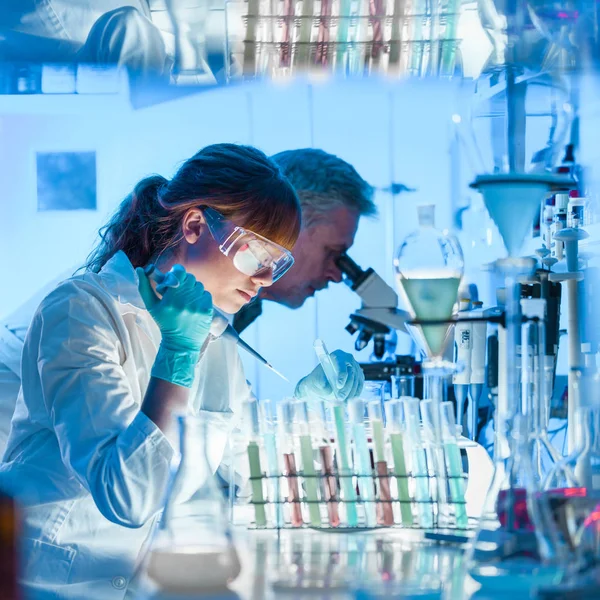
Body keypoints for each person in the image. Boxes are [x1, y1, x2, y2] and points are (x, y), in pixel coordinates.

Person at [0, 143, 364, 600]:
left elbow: (250, 474)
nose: (265, 279)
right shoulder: (82, 309)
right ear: (194, 225)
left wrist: (303, 416)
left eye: (278, 263)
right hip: (51, 588)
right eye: (257, 254)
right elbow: (128, 498)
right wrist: (177, 354)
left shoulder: (215, 339)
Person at [233, 148, 377, 332]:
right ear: (284, 223)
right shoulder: (196, 304)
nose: (337, 276)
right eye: (332, 252)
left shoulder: (243, 309)